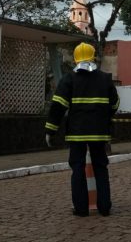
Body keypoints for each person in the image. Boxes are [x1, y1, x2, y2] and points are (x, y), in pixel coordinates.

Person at [45, 42, 119, 216]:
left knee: (77, 168)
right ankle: (104, 207)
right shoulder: (105, 78)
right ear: (93, 57)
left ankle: (81, 209)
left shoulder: (69, 79)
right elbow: (115, 104)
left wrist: (50, 130)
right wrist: (104, 117)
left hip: (77, 133)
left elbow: (58, 107)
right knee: (100, 167)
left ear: (76, 59)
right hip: (99, 133)